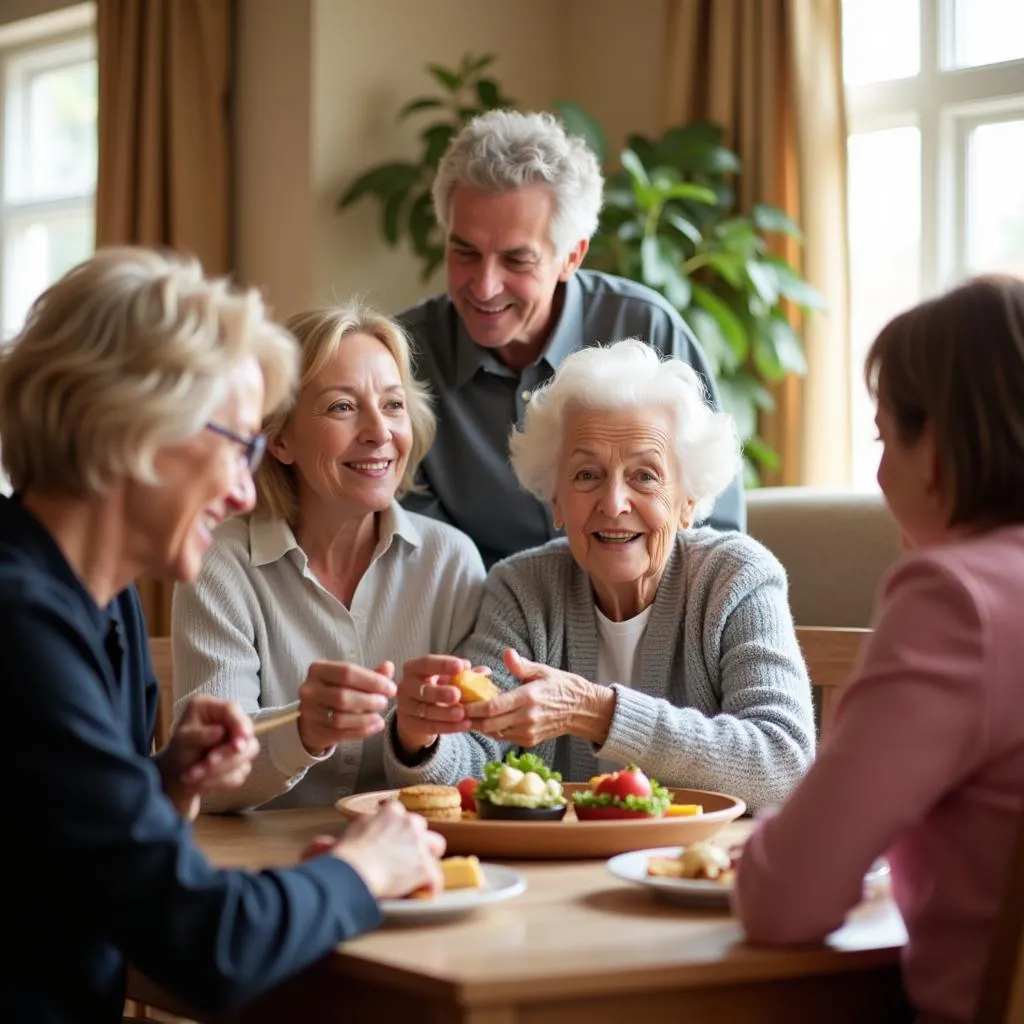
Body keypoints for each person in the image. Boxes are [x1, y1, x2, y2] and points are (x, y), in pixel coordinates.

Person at [0, 249, 445, 1024]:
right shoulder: (19, 626)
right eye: (237, 444)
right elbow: (206, 946)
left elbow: (77, 861)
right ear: (136, 429)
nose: (244, 489)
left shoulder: (105, 608)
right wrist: (362, 869)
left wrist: (163, 784)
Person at [734, 276, 1024, 1023]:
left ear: (938, 448)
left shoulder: (955, 601)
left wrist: (779, 841)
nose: (881, 469)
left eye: (884, 435)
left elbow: (785, 900)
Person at [383, 340, 813, 811]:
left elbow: (785, 765)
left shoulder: (735, 578)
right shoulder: (522, 590)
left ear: (689, 500)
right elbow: (477, 758)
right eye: (586, 475)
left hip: (700, 869)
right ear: (556, 502)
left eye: (644, 476)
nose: (613, 503)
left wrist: (596, 711)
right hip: (556, 873)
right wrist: (421, 737)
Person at [397, 108, 745, 567]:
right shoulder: (405, 360)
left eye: (516, 261)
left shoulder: (648, 328)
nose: (483, 286)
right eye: (465, 253)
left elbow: (714, 529)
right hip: (488, 621)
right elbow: (422, 559)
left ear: (571, 256)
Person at [172, 303, 485, 811]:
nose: (379, 431)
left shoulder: (451, 564)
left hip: (417, 858)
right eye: (343, 406)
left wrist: (420, 740)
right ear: (279, 439)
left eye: (393, 404)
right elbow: (203, 775)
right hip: (260, 867)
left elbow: (480, 767)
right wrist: (304, 732)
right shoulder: (221, 564)